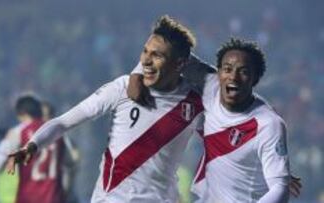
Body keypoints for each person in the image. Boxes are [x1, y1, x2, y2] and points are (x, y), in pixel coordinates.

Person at [7, 15, 204, 202]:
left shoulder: (196, 103)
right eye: (145, 51)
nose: (146, 61)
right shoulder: (122, 88)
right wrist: (33, 145)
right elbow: (64, 122)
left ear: (180, 64)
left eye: (157, 55)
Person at [128, 38, 302, 202]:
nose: (233, 77)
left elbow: (280, 188)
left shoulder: (268, 124)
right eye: (227, 69)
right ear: (218, 73)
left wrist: (277, 172)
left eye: (243, 72)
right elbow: (167, 48)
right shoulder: (210, 86)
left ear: (255, 78)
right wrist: (136, 75)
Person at [0, 95, 66, 203]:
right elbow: (69, 165)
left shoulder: (18, 133)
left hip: (28, 198)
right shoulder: (57, 133)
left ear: (21, 114)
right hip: (53, 198)